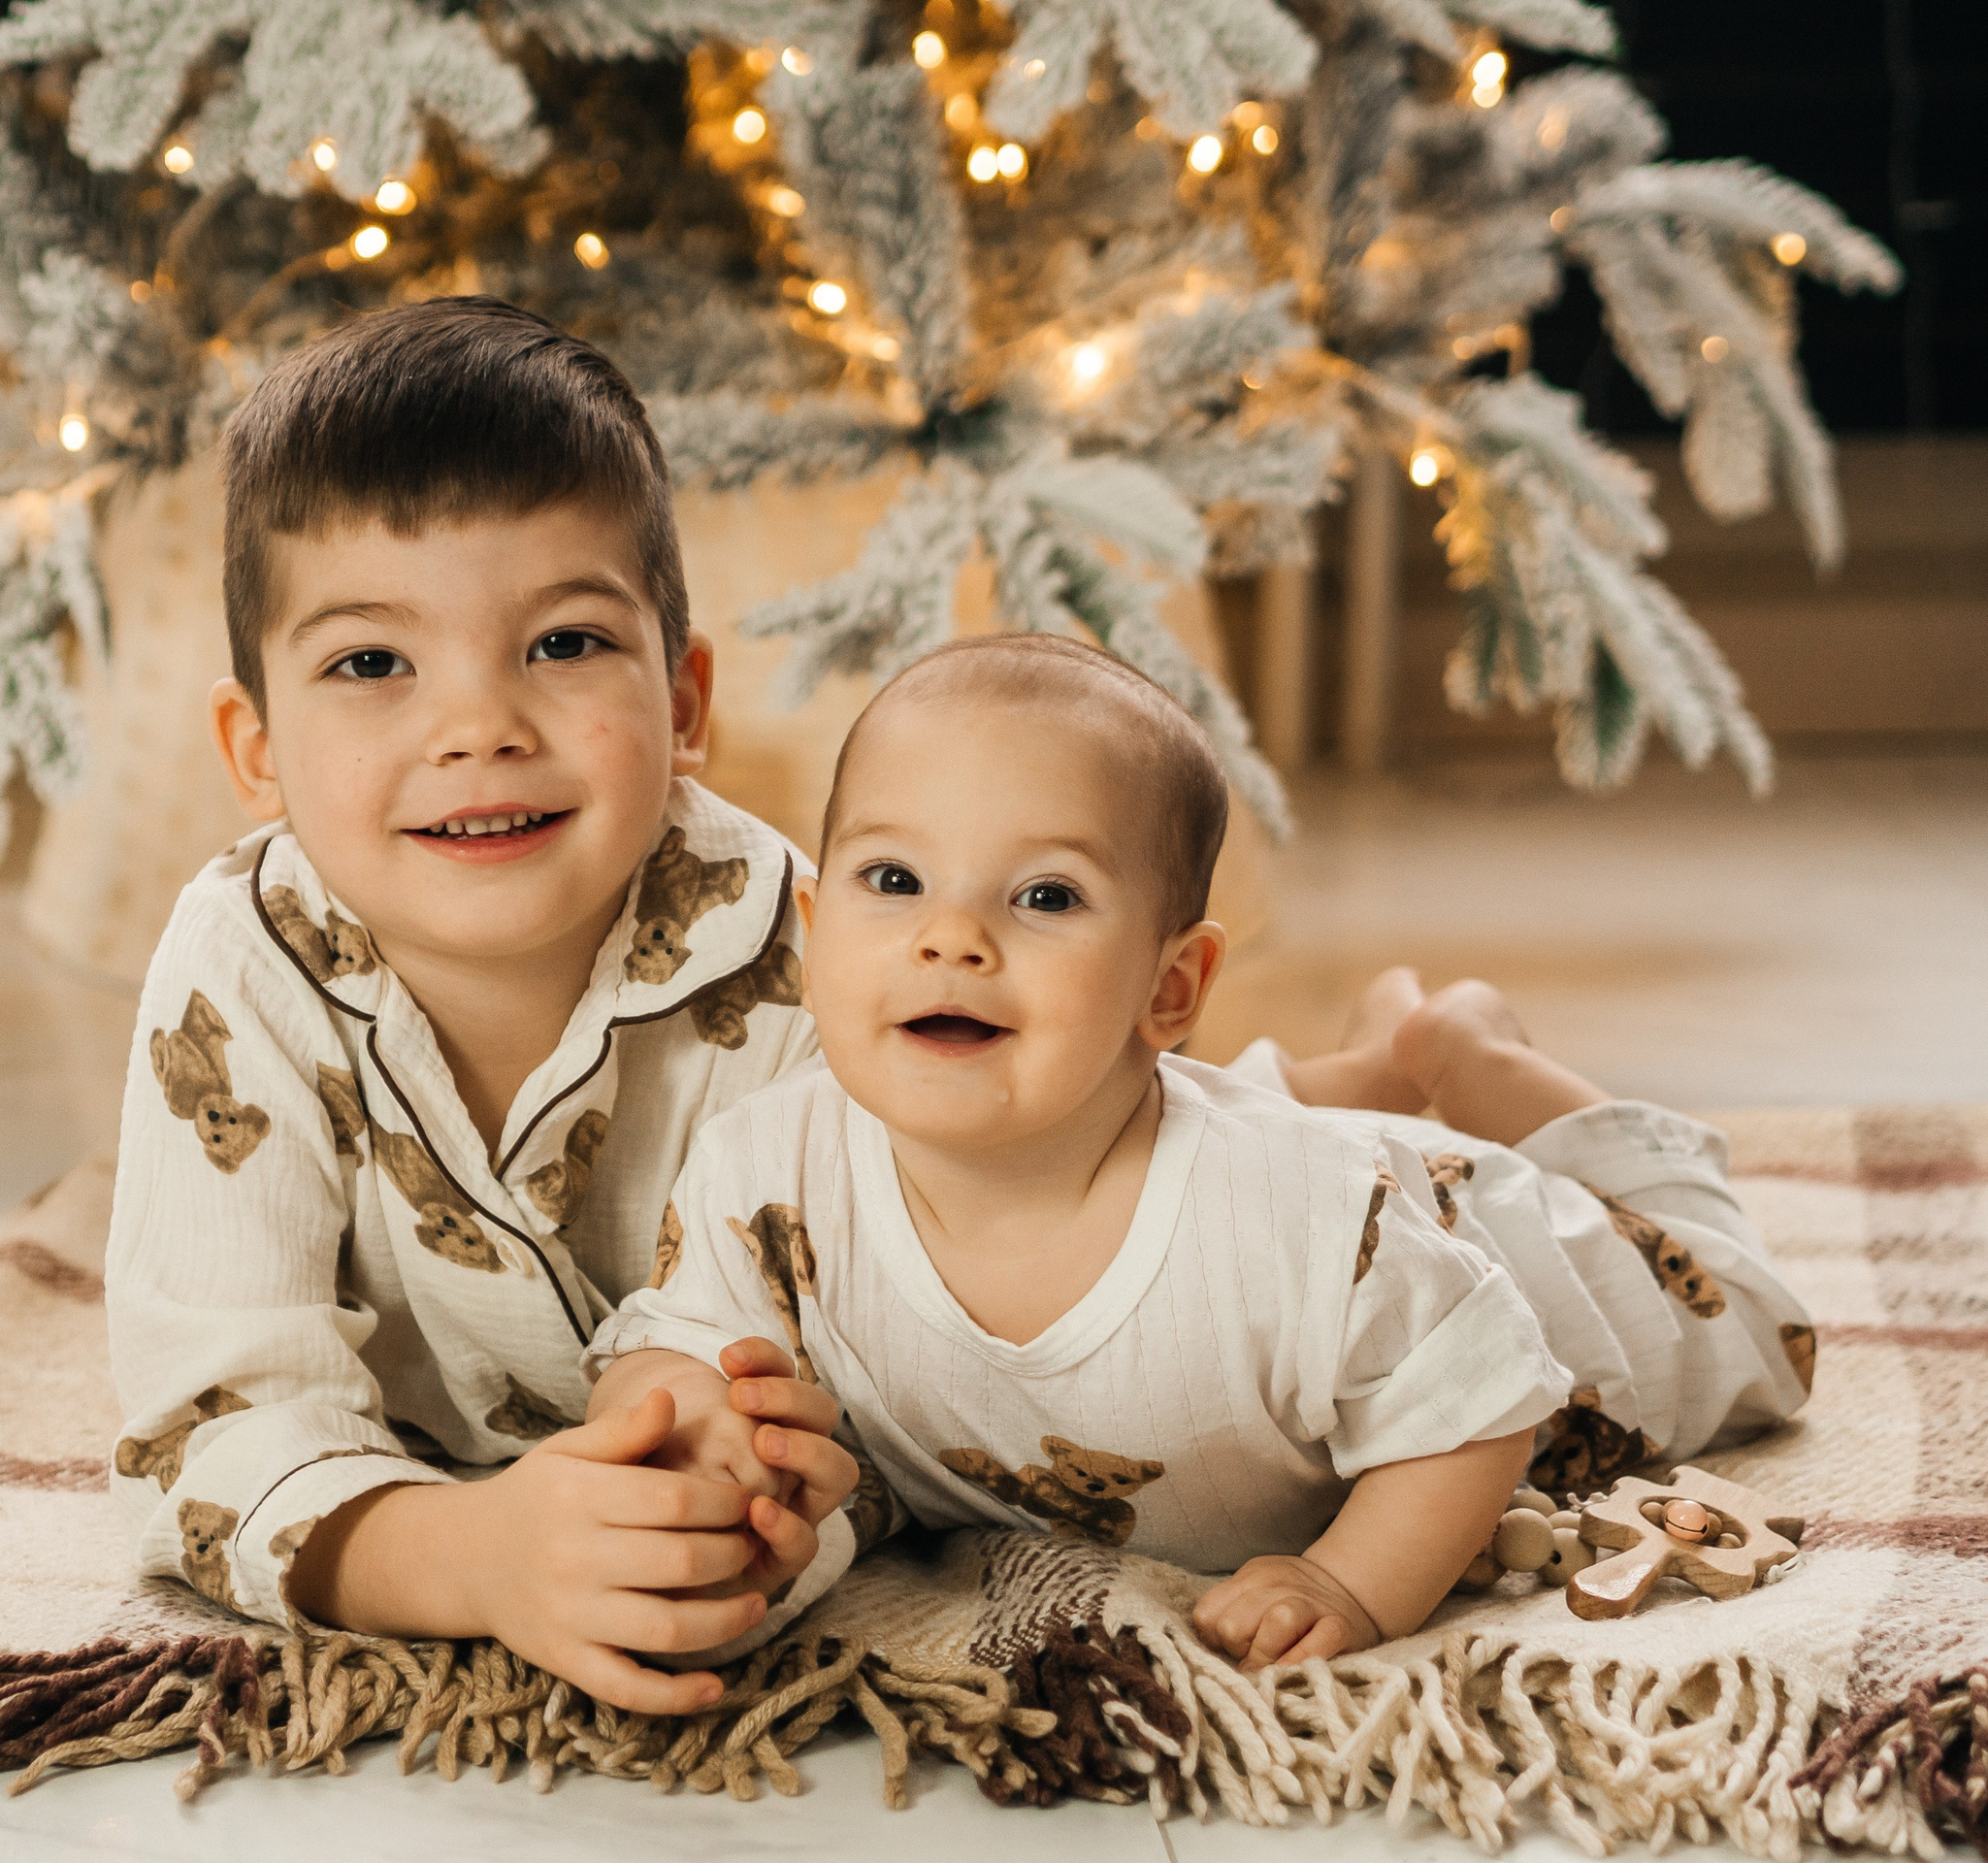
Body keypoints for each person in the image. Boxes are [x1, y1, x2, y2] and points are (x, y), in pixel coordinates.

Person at [588, 634, 1814, 1671]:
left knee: (1756, 1324)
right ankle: (1369, 1059)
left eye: (1046, 896)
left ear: (1171, 986)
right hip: (1220, 1143)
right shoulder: (763, 1166)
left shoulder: (1293, 1217)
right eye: (894, 878)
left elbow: (1481, 1405)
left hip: (1500, 1245)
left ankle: (1463, 1048)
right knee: (1116, 1100)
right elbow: (679, 1342)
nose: (949, 938)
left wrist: (1350, 1584)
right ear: (813, 937)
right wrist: (691, 1429)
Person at [106, 298, 862, 1716]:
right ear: (255, 750)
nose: (479, 729)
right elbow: (209, 1428)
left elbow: (889, 1362)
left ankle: (1310, 1084)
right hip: (422, 1475)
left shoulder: (802, 950)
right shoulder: (239, 966)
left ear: (684, 702)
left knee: (1147, 1146)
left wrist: (746, 1496)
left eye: (564, 645)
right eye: (370, 664)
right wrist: (465, 1558)